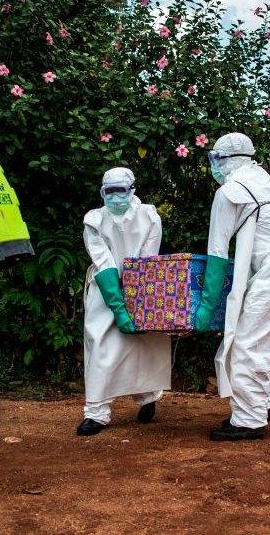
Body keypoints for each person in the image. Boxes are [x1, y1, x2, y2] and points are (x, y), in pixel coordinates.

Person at [194, 132, 270, 441]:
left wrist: (205, 307)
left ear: (224, 160)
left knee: (247, 344)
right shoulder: (263, 182)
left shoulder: (230, 191)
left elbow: (217, 253)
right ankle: (262, 405)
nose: (213, 167)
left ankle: (248, 421)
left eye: (213, 160)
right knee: (262, 341)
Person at [78, 167, 172, 436]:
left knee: (142, 346)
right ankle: (96, 413)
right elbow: (104, 262)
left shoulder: (149, 216)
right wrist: (119, 307)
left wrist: (136, 300)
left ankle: (148, 397)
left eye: (121, 191)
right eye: (110, 192)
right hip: (103, 290)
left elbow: (146, 259)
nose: (115, 197)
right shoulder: (94, 220)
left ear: (132, 190)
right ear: (102, 192)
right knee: (101, 345)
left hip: (141, 285)